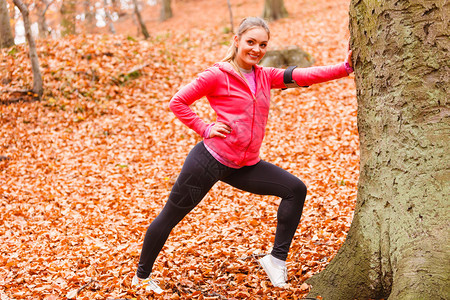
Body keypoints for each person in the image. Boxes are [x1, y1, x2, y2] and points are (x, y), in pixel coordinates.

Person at [131, 16, 354, 293]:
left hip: (245, 165)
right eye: (250, 42)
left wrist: (345, 69)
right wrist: (205, 127)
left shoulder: (265, 76)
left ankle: (276, 260)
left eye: (262, 44)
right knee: (171, 216)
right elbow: (178, 102)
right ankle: (141, 277)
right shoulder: (216, 75)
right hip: (208, 162)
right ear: (237, 41)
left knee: (295, 189)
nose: (256, 49)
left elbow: (301, 75)